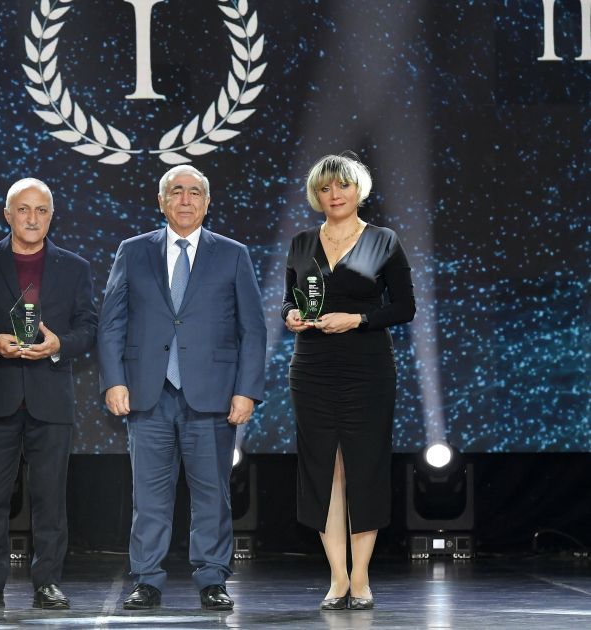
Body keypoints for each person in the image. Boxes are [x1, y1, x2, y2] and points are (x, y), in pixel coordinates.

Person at [98, 165, 267, 611]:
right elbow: (112, 323)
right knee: (149, 497)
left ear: (207, 203)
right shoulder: (133, 251)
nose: (186, 200)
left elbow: (252, 328)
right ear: (161, 201)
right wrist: (114, 380)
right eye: (176, 191)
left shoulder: (232, 254)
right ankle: (147, 580)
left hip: (213, 394)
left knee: (212, 495)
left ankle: (212, 579)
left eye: (195, 192)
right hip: (148, 394)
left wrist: (246, 390)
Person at [0, 178, 97, 611]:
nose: (33, 218)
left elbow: (90, 326)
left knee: (50, 498)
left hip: (51, 398)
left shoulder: (74, 267)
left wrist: (59, 345)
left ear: (51, 216)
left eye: (41, 210)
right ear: (7, 214)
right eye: (24, 209)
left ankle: (47, 582)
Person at [282, 153, 416, 611]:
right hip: (311, 368)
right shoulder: (301, 242)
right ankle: (337, 577)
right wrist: (291, 315)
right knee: (323, 469)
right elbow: (288, 301)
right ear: (315, 195)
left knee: (364, 467)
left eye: (342, 186)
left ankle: (361, 577)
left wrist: (357, 319)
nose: (334, 195)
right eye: (325, 188)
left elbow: (404, 307)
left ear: (359, 190)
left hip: (367, 368)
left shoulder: (383, 240)